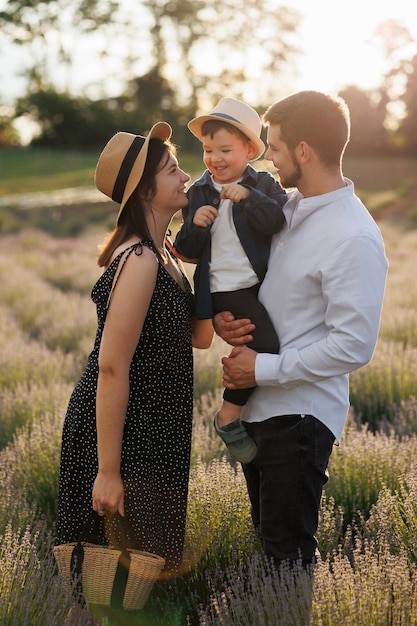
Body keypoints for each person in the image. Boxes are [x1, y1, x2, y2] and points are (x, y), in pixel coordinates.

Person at [214, 90, 388, 570]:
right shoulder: (285, 207)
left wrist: (262, 366)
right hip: (262, 410)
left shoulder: (352, 235)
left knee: (286, 560)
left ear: (304, 151)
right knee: (270, 549)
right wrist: (233, 320)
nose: (268, 156)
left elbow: (354, 345)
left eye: (274, 145)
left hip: (300, 420)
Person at [56, 122, 214, 595]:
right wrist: (108, 471)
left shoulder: (163, 253)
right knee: (105, 588)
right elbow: (111, 366)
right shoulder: (140, 260)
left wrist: (213, 251)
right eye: (172, 170)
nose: (185, 176)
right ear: (146, 190)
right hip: (123, 439)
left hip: (154, 434)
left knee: (137, 581)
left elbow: (199, 339)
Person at [175, 97, 287, 464]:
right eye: (208, 150)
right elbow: (184, 248)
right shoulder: (199, 193)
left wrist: (250, 197)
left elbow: (276, 221)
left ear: (249, 150)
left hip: (257, 286)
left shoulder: (264, 184)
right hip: (223, 291)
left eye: (225, 149)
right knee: (266, 346)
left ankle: (241, 411)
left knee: (258, 344)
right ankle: (229, 414)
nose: (214, 158)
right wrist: (195, 224)